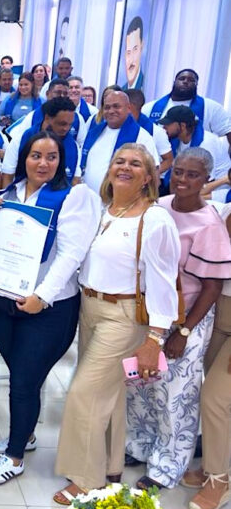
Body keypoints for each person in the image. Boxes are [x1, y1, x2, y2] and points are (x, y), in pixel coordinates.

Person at [53, 143, 181, 505]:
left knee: (84, 393)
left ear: (149, 177)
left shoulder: (154, 220)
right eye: (119, 161)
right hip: (89, 307)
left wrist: (154, 339)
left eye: (136, 164)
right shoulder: (102, 210)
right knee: (109, 392)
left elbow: (163, 281)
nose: (125, 168)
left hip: (124, 318)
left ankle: (86, 479)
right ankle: (111, 466)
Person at [0, 132, 101, 485]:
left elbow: (71, 254)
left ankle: (14, 456)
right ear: (24, 158)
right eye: (35, 155)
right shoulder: (6, 194)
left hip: (48, 308)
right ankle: (25, 434)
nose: (43, 163)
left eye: (51, 157)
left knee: (24, 380)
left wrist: (42, 297)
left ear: (61, 161)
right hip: (3, 301)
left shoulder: (75, 197)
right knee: (20, 373)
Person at [124, 148, 231, 490]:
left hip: (187, 319)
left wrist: (183, 331)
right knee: (140, 383)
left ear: (205, 179)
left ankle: (168, 465)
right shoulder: (161, 206)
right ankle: (140, 445)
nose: (183, 180)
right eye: (179, 172)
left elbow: (213, 285)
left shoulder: (209, 222)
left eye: (193, 175)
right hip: (152, 312)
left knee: (175, 396)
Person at [183, 200, 231, 509]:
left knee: (215, 398)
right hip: (220, 314)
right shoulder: (222, 212)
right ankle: (216, 462)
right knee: (220, 401)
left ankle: (220, 479)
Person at [80, 91, 159, 193]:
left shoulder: (142, 137)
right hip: (90, 200)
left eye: (116, 106)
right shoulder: (94, 132)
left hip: (122, 202)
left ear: (128, 108)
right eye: (107, 107)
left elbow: (153, 172)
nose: (111, 111)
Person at [1, 97, 80, 187]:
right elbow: (7, 177)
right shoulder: (20, 141)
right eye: (62, 124)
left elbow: (75, 181)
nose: (66, 128)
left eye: (70, 124)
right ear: (47, 118)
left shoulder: (74, 147)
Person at [158, 106, 231, 200]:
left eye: (168, 124)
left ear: (182, 126)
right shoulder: (178, 140)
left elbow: (204, 183)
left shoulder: (206, 144)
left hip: (215, 191)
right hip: (192, 184)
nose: (164, 127)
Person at [143, 69, 231, 141]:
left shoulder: (211, 107)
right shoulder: (151, 107)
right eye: (182, 78)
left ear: (196, 85)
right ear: (174, 82)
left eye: (191, 80)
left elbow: (228, 130)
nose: (186, 82)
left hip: (196, 159)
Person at [123, 17, 145, 90]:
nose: (131, 59)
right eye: (128, 52)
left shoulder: (146, 87)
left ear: (141, 47)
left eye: (135, 49)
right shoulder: (121, 90)